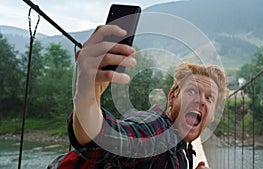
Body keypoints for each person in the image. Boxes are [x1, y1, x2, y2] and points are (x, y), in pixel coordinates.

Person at [55, 25, 228, 169]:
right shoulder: (156, 130)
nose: (200, 100)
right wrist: (86, 95)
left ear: (212, 115)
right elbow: (103, 140)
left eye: (209, 98)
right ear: (172, 98)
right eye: (192, 91)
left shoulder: (180, 146)